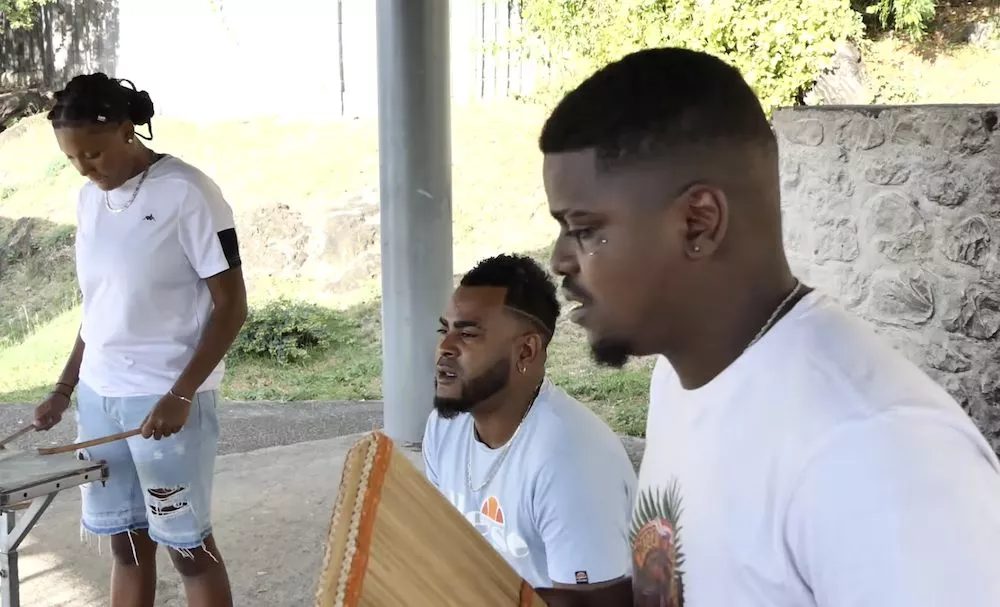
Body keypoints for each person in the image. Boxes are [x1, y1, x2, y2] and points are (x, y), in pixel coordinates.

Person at [539, 47, 1000, 607]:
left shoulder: (876, 453)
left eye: (585, 229)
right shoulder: (681, 377)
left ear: (698, 223)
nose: (560, 260)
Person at [32, 73, 246, 607]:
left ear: (128, 131)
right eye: (72, 158)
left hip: (164, 398)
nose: (85, 169)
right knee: (126, 544)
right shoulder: (89, 201)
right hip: (99, 396)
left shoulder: (189, 193)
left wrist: (181, 394)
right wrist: (64, 389)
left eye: (94, 154)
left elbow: (231, 307)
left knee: (188, 548)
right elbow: (99, 308)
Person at [422, 253, 637, 593]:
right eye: (443, 330)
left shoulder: (570, 461)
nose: (444, 348)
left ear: (525, 352)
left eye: (468, 334)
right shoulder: (444, 428)